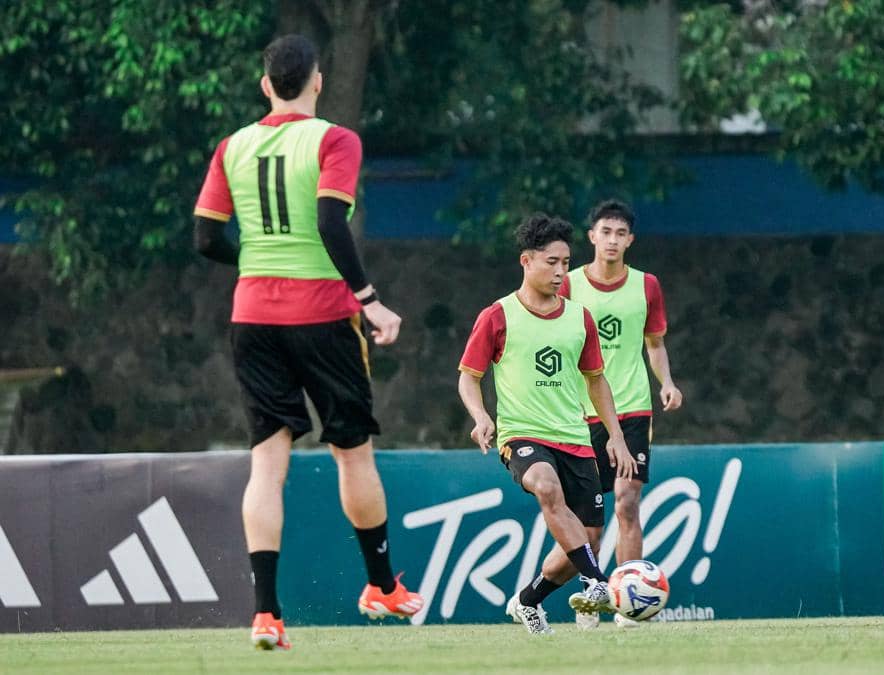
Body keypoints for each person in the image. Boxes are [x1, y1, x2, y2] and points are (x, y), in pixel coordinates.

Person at [193, 34, 424, 650]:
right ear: (318, 81)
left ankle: (266, 614)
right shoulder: (334, 139)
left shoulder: (232, 146)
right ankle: (380, 586)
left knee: (267, 464)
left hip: (252, 319)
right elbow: (329, 222)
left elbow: (206, 238)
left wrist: (256, 262)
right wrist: (370, 299)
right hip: (321, 315)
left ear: (266, 85)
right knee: (352, 452)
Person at [457, 213, 637, 635]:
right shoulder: (497, 315)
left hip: (575, 439)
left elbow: (596, 381)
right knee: (545, 486)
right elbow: (469, 375)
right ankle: (596, 581)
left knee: (588, 536)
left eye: (564, 262)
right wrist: (482, 416)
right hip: (521, 433)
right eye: (551, 262)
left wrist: (615, 437)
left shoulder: (580, 318)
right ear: (526, 261)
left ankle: (528, 600)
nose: (560, 272)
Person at [559, 199, 682, 629]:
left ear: (630, 240)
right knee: (589, 520)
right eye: (604, 232)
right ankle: (592, 594)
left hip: (632, 408)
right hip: (581, 414)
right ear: (591, 236)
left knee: (628, 503)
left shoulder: (646, 286)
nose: (612, 240)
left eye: (620, 234)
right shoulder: (569, 285)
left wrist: (666, 382)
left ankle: (628, 606)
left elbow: (656, 344)